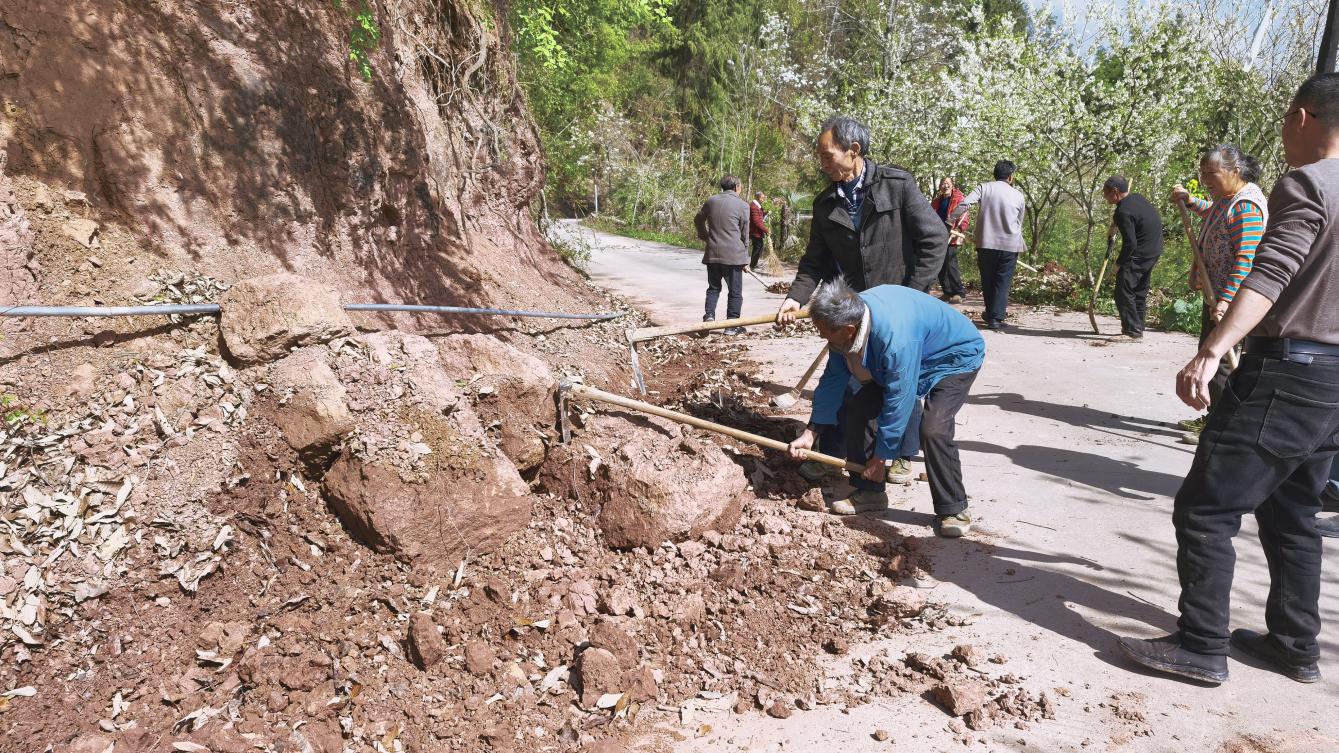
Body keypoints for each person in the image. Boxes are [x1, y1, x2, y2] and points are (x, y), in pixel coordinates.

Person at [1117, 73, 1339, 686]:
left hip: (1289, 371)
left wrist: (1212, 350)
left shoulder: (1308, 183)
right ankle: (1294, 645)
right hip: (1332, 382)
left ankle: (1201, 646)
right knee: (1293, 510)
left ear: (1302, 118)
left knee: (1206, 508)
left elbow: (1270, 272)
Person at [774, 116, 948, 489]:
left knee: (900, 376)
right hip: (852, 310)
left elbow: (935, 238)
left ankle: (902, 454)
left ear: (853, 151)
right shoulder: (825, 205)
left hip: (898, 310)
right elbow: (814, 262)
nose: (822, 163)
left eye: (828, 155)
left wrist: (913, 294)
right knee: (845, 376)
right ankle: (833, 453)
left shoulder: (897, 186)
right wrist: (794, 298)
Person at [786, 279, 985, 536]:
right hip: (916, 348)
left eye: (823, 331)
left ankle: (953, 508)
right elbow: (832, 381)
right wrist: (810, 433)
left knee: (934, 428)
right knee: (860, 408)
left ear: (849, 330)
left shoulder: (894, 340)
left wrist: (881, 458)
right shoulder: (845, 324)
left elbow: (899, 399)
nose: (821, 335)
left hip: (954, 355)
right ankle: (870, 492)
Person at [1170, 146, 1268, 444]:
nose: (1205, 180)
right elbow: (1213, 213)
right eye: (1202, 174)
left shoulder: (1247, 207)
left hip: (1233, 300)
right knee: (1209, 351)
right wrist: (1190, 201)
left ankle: (1222, 428)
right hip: (1216, 296)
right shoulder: (1228, 199)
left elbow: (1246, 260)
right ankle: (1213, 417)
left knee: (1222, 360)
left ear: (1234, 171)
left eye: (1211, 173)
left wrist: (1226, 300)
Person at [949, 161, 1026, 331]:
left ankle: (992, 314)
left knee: (988, 279)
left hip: (986, 242)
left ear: (995, 174)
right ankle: (995, 318)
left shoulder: (984, 188)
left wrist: (950, 220)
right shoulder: (1018, 195)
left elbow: (964, 204)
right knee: (1002, 282)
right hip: (1010, 244)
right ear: (1011, 177)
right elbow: (1019, 221)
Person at [1102, 176, 1164, 341]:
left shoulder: (1122, 212)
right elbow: (1134, 219)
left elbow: (1130, 243)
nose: (1104, 197)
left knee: (1123, 290)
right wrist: (1114, 224)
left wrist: (1118, 264)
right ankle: (1138, 326)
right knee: (1138, 290)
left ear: (1115, 192)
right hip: (1154, 249)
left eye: (1106, 193)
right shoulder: (1137, 199)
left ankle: (1132, 331)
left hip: (1140, 252)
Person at [694, 175, 750, 333]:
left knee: (713, 288)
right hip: (734, 255)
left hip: (713, 253)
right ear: (736, 187)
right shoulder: (743, 205)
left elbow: (698, 220)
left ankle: (709, 317)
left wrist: (705, 236)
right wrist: (745, 258)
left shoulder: (711, 201)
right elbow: (745, 234)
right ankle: (731, 326)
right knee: (735, 291)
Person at [931, 177, 970, 304]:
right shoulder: (936, 202)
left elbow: (964, 216)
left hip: (952, 236)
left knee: (951, 264)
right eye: (943, 183)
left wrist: (960, 228)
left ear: (952, 185)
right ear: (940, 187)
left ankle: (959, 292)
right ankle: (948, 292)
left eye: (948, 183)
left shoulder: (958, 199)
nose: (945, 185)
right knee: (940, 264)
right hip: (939, 236)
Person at [749, 191, 768, 270]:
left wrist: (766, 213)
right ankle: (752, 265)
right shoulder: (753, 206)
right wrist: (766, 230)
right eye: (762, 198)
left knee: (759, 247)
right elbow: (756, 221)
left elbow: (760, 216)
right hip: (755, 232)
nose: (763, 199)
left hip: (758, 232)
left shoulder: (757, 206)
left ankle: (754, 264)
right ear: (758, 197)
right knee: (757, 248)